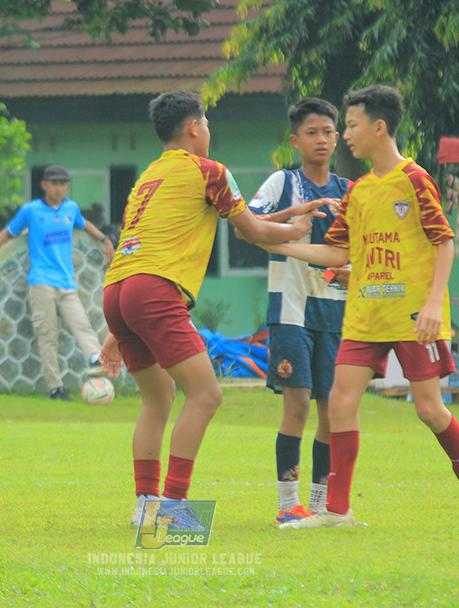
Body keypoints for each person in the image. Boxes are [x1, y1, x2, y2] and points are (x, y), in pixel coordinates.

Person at [264, 85, 459, 528]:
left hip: (412, 318)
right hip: (365, 316)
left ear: (378, 127)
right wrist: (281, 244)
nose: (343, 135)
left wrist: (431, 305)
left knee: (429, 410)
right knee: (341, 402)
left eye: (350, 125)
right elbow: (335, 255)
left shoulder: (415, 179)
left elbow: (444, 244)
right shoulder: (360, 191)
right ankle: (338, 511)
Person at [96, 89, 321, 528]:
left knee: (157, 399)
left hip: (118, 291)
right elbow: (253, 232)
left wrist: (115, 331)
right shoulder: (210, 172)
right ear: (195, 128)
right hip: (154, 291)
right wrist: (297, 227)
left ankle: (146, 506)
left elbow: (140, 250)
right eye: (207, 124)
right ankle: (174, 510)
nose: (209, 132)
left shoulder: (147, 178)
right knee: (207, 394)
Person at [246, 98, 351, 524]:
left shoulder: (349, 192)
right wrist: (294, 217)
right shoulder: (281, 183)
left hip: (336, 314)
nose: (321, 139)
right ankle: (288, 505)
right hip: (290, 309)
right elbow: (249, 225)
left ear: (338, 136)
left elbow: (358, 250)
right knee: (299, 406)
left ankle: (322, 504)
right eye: (312, 133)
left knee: (332, 410)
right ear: (295, 140)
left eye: (328, 131)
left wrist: (350, 268)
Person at [0, 165, 114, 401]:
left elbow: (83, 224)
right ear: (44, 185)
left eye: (63, 183)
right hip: (41, 283)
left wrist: (105, 238)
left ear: (67, 186)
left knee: (82, 324)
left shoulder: (71, 208)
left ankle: (94, 358)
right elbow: (9, 231)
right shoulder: (31, 210)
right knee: (48, 336)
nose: (59, 188)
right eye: (54, 183)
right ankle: (56, 388)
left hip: (67, 282)